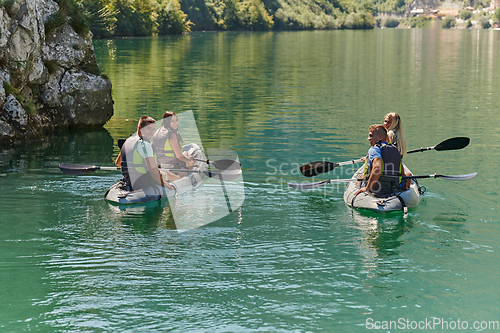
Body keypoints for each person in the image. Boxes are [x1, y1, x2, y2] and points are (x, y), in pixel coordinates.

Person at [115, 116, 172, 191]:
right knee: (170, 175)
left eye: (153, 129)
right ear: (140, 128)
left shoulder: (128, 142)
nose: (151, 132)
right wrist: (163, 183)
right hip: (142, 182)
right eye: (148, 128)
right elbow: (153, 171)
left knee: (162, 172)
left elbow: (118, 163)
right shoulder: (145, 144)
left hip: (129, 181)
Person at [354, 124, 405, 197]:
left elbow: (377, 168)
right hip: (393, 188)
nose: (368, 138)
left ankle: (360, 188)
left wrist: (367, 188)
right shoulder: (395, 150)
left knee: (361, 177)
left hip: (376, 189)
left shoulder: (374, 149)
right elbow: (402, 173)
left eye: (371, 136)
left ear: (379, 136)